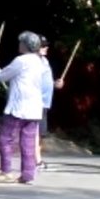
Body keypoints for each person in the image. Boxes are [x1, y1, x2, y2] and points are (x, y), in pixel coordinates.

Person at [0, 31, 45, 185]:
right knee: (27, 141)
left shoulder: (21, 60)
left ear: (26, 45)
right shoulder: (39, 61)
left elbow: (2, 76)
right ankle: (28, 174)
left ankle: (6, 171)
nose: (19, 45)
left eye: (21, 42)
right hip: (34, 108)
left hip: (19, 106)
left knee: (5, 138)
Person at [34, 36, 65, 171]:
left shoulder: (44, 61)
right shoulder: (33, 62)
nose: (46, 47)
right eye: (42, 45)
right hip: (36, 101)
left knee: (40, 133)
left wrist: (55, 84)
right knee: (35, 132)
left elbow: (46, 81)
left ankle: (37, 158)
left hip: (45, 102)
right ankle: (36, 160)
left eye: (46, 45)